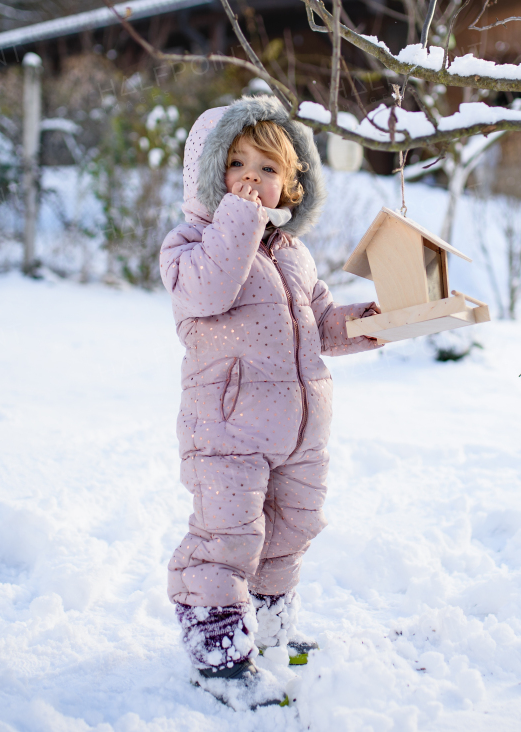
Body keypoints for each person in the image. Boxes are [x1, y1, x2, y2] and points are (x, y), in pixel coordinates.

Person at [160, 95, 382, 708]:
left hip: (300, 430)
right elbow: (209, 290)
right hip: (226, 430)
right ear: (207, 174)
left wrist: (372, 322)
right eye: (236, 164)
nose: (251, 178)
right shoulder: (189, 247)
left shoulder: (293, 255)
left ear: (291, 184)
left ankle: (270, 629)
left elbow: (321, 326)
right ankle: (219, 651)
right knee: (228, 535)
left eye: (267, 167)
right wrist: (238, 217)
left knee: (292, 530)